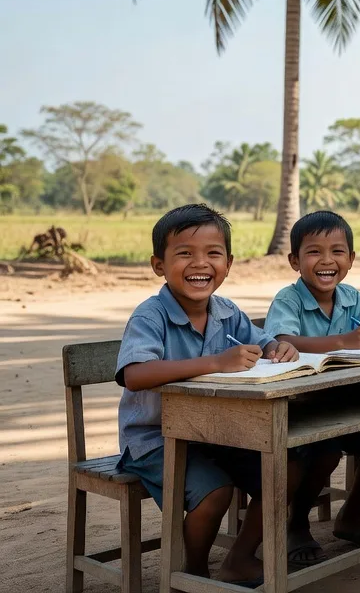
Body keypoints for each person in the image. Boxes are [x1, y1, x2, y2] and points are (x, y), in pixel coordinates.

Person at [114, 204, 301, 585]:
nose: (200, 264)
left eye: (213, 253)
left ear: (228, 264)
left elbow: (265, 342)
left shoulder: (227, 311)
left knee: (286, 469)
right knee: (216, 493)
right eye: (184, 253)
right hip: (156, 439)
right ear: (158, 265)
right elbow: (135, 375)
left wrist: (279, 349)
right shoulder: (150, 316)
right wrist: (216, 362)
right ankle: (192, 572)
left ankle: (238, 557)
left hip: (219, 432)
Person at [263, 210, 360, 559]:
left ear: (351, 259)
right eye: (314, 252)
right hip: (299, 404)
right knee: (324, 453)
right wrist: (344, 341)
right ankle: (296, 523)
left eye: (338, 251)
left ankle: (351, 514)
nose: (327, 261)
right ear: (295, 260)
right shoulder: (288, 299)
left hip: (342, 400)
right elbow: (283, 340)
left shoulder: (351, 296)